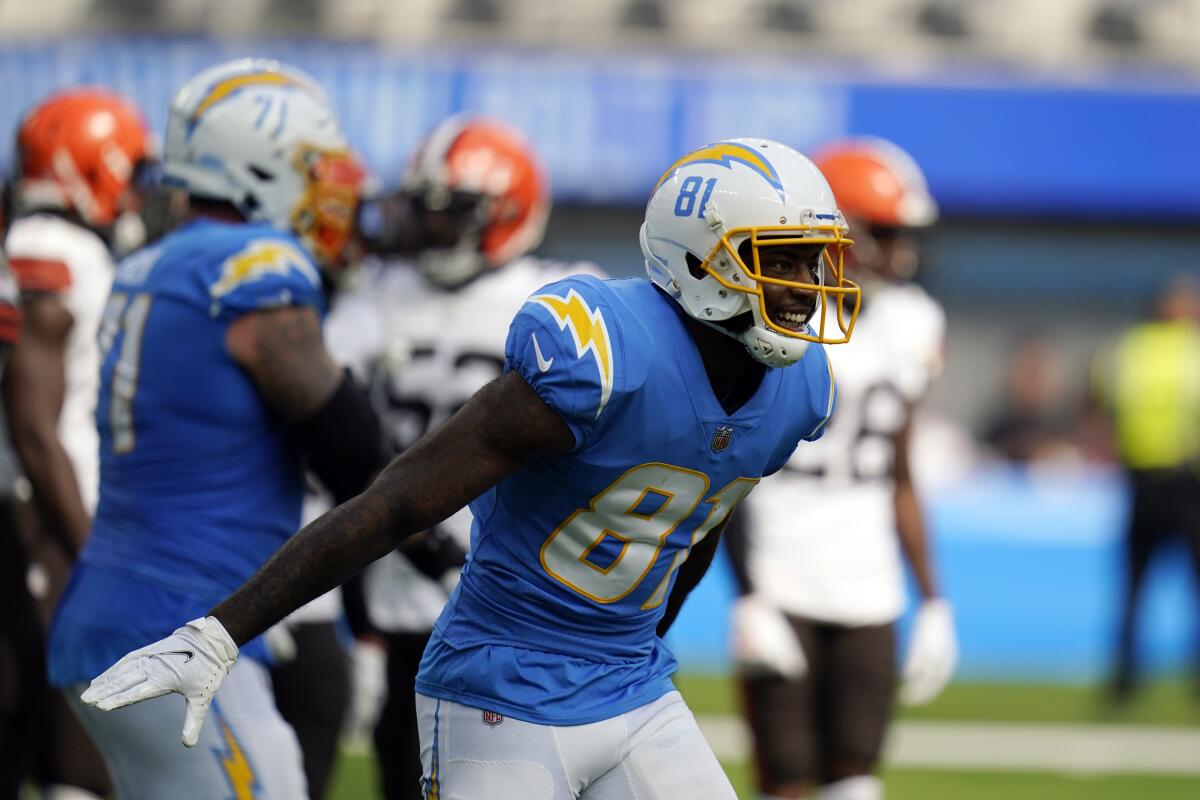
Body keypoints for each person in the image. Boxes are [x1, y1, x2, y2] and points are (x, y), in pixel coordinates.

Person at [81, 137, 862, 799]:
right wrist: (222, 632)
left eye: (814, 264)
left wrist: (644, 637)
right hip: (502, 689)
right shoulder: (606, 357)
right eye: (784, 262)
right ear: (699, 262)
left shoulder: (799, 390)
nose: (809, 290)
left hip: (631, 685)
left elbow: (699, 522)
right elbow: (398, 503)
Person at [44, 59, 382, 799]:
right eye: (313, 169)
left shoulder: (150, 263)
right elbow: (349, 445)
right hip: (178, 619)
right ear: (261, 168)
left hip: (110, 604)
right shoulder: (255, 264)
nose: (331, 190)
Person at [328, 113, 602, 798]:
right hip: (401, 580)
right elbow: (332, 433)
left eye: (453, 214)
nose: (433, 230)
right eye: (426, 212)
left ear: (507, 215)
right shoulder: (378, 296)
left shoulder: (559, 296)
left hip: (517, 586)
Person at [724, 138, 957, 800]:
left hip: (868, 581)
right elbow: (735, 464)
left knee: (856, 784)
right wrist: (746, 593)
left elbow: (901, 472)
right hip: (781, 568)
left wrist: (933, 598)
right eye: (885, 232)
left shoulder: (915, 321)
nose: (901, 251)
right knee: (786, 782)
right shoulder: (774, 315)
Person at [2, 87, 156, 800]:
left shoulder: (46, 244)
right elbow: (34, 425)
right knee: (77, 750)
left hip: (43, 520)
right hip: (42, 525)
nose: (132, 195)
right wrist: (93, 551)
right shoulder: (51, 247)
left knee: (73, 752)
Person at [1092, 272, 1200, 701]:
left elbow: (1102, 406)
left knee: (1135, 585)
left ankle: (1125, 678)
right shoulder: (1191, 349)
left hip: (1145, 479)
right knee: (1152, 585)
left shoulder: (1125, 350)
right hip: (1184, 479)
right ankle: (1135, 675)